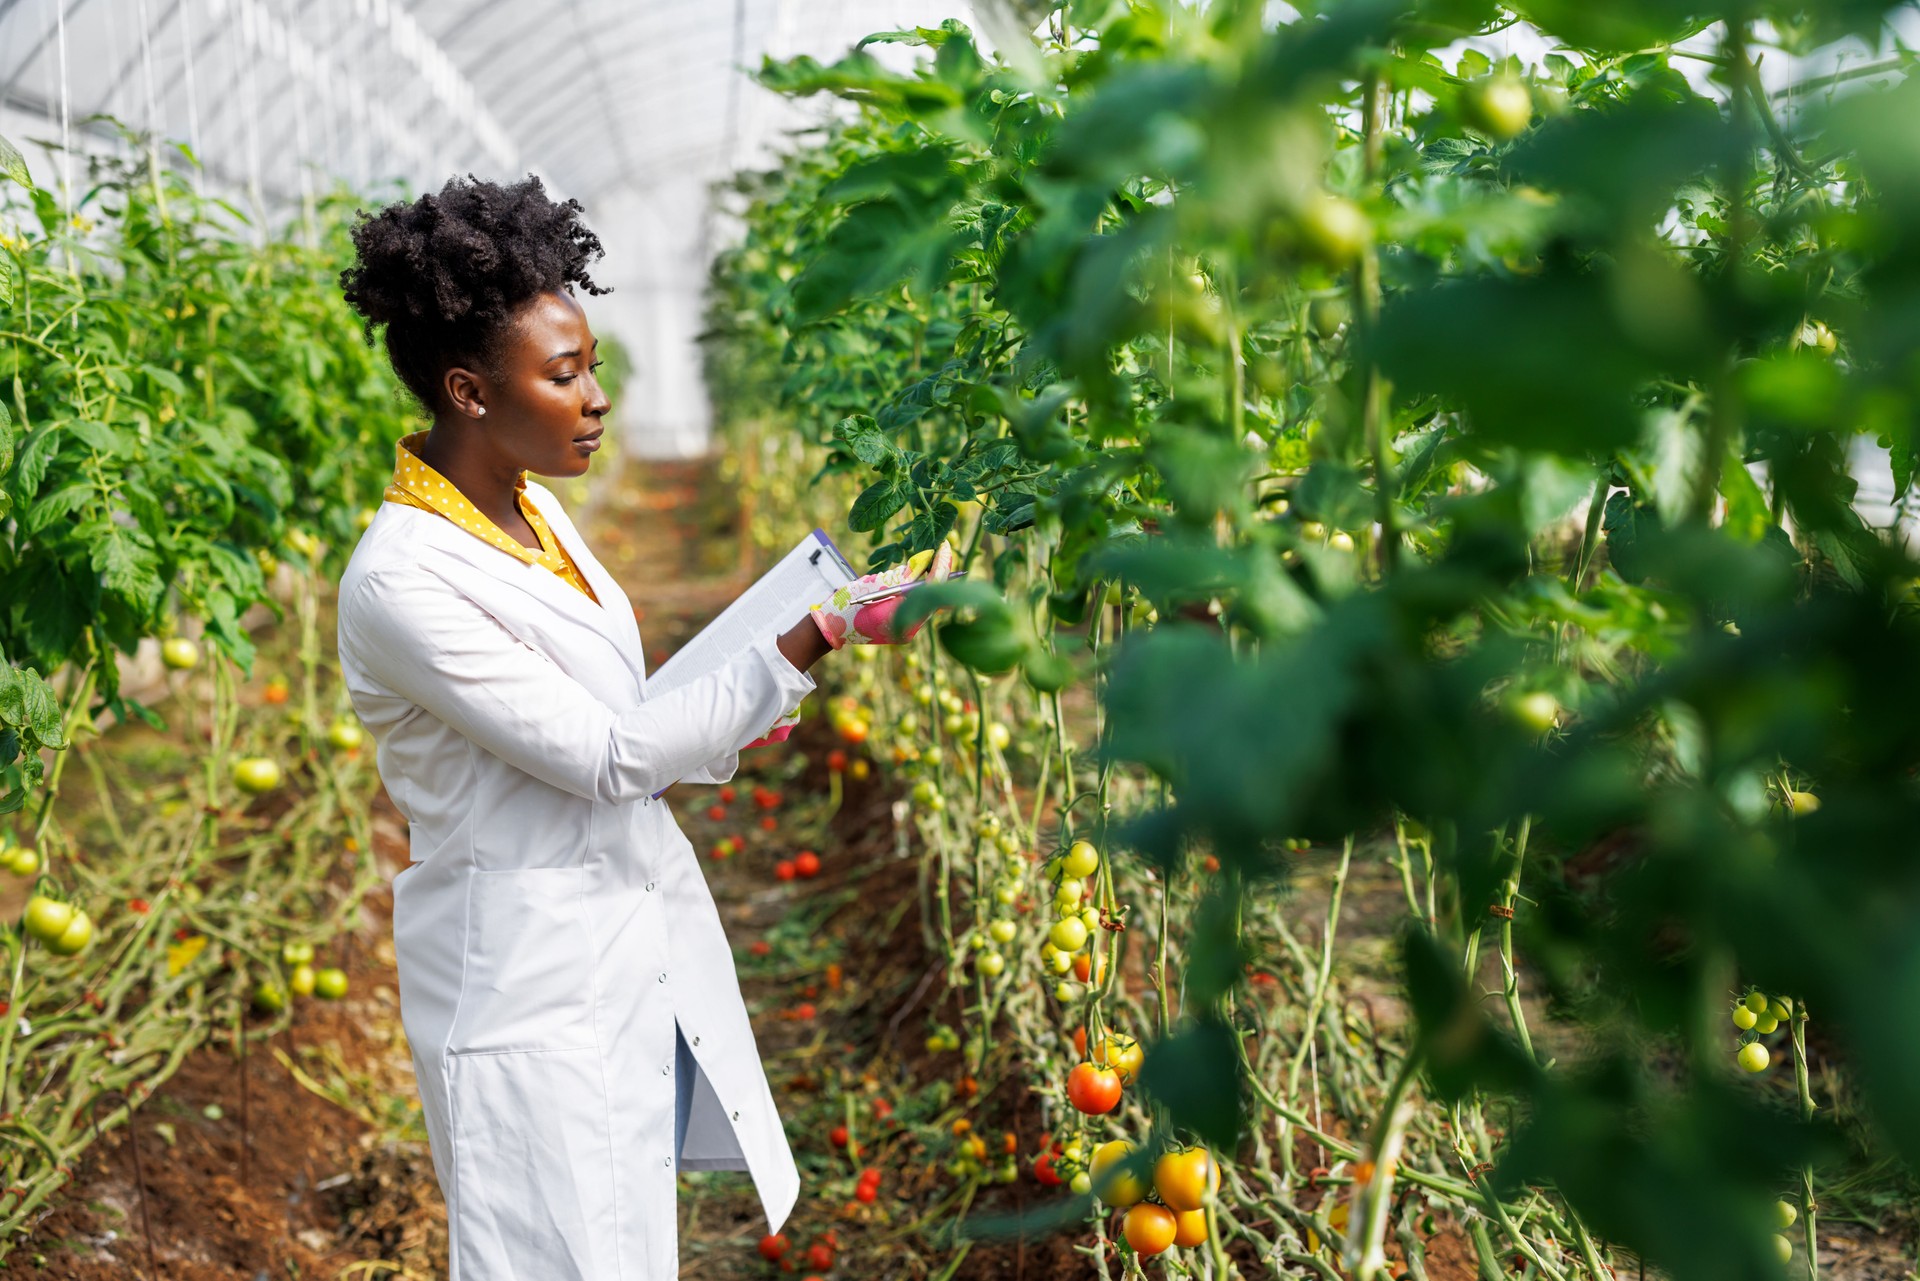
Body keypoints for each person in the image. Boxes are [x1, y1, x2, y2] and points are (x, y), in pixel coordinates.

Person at [332, 173, 946, 1280]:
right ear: (469, 390)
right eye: (564, 374)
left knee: (625, 1251)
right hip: (524, 982)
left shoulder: (536, 513)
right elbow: (614, 756)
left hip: (616, 947)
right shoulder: (401, 580)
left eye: (594, 366)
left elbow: (627, 715)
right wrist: (819, 632)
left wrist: (802, 641)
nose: (596, 396)